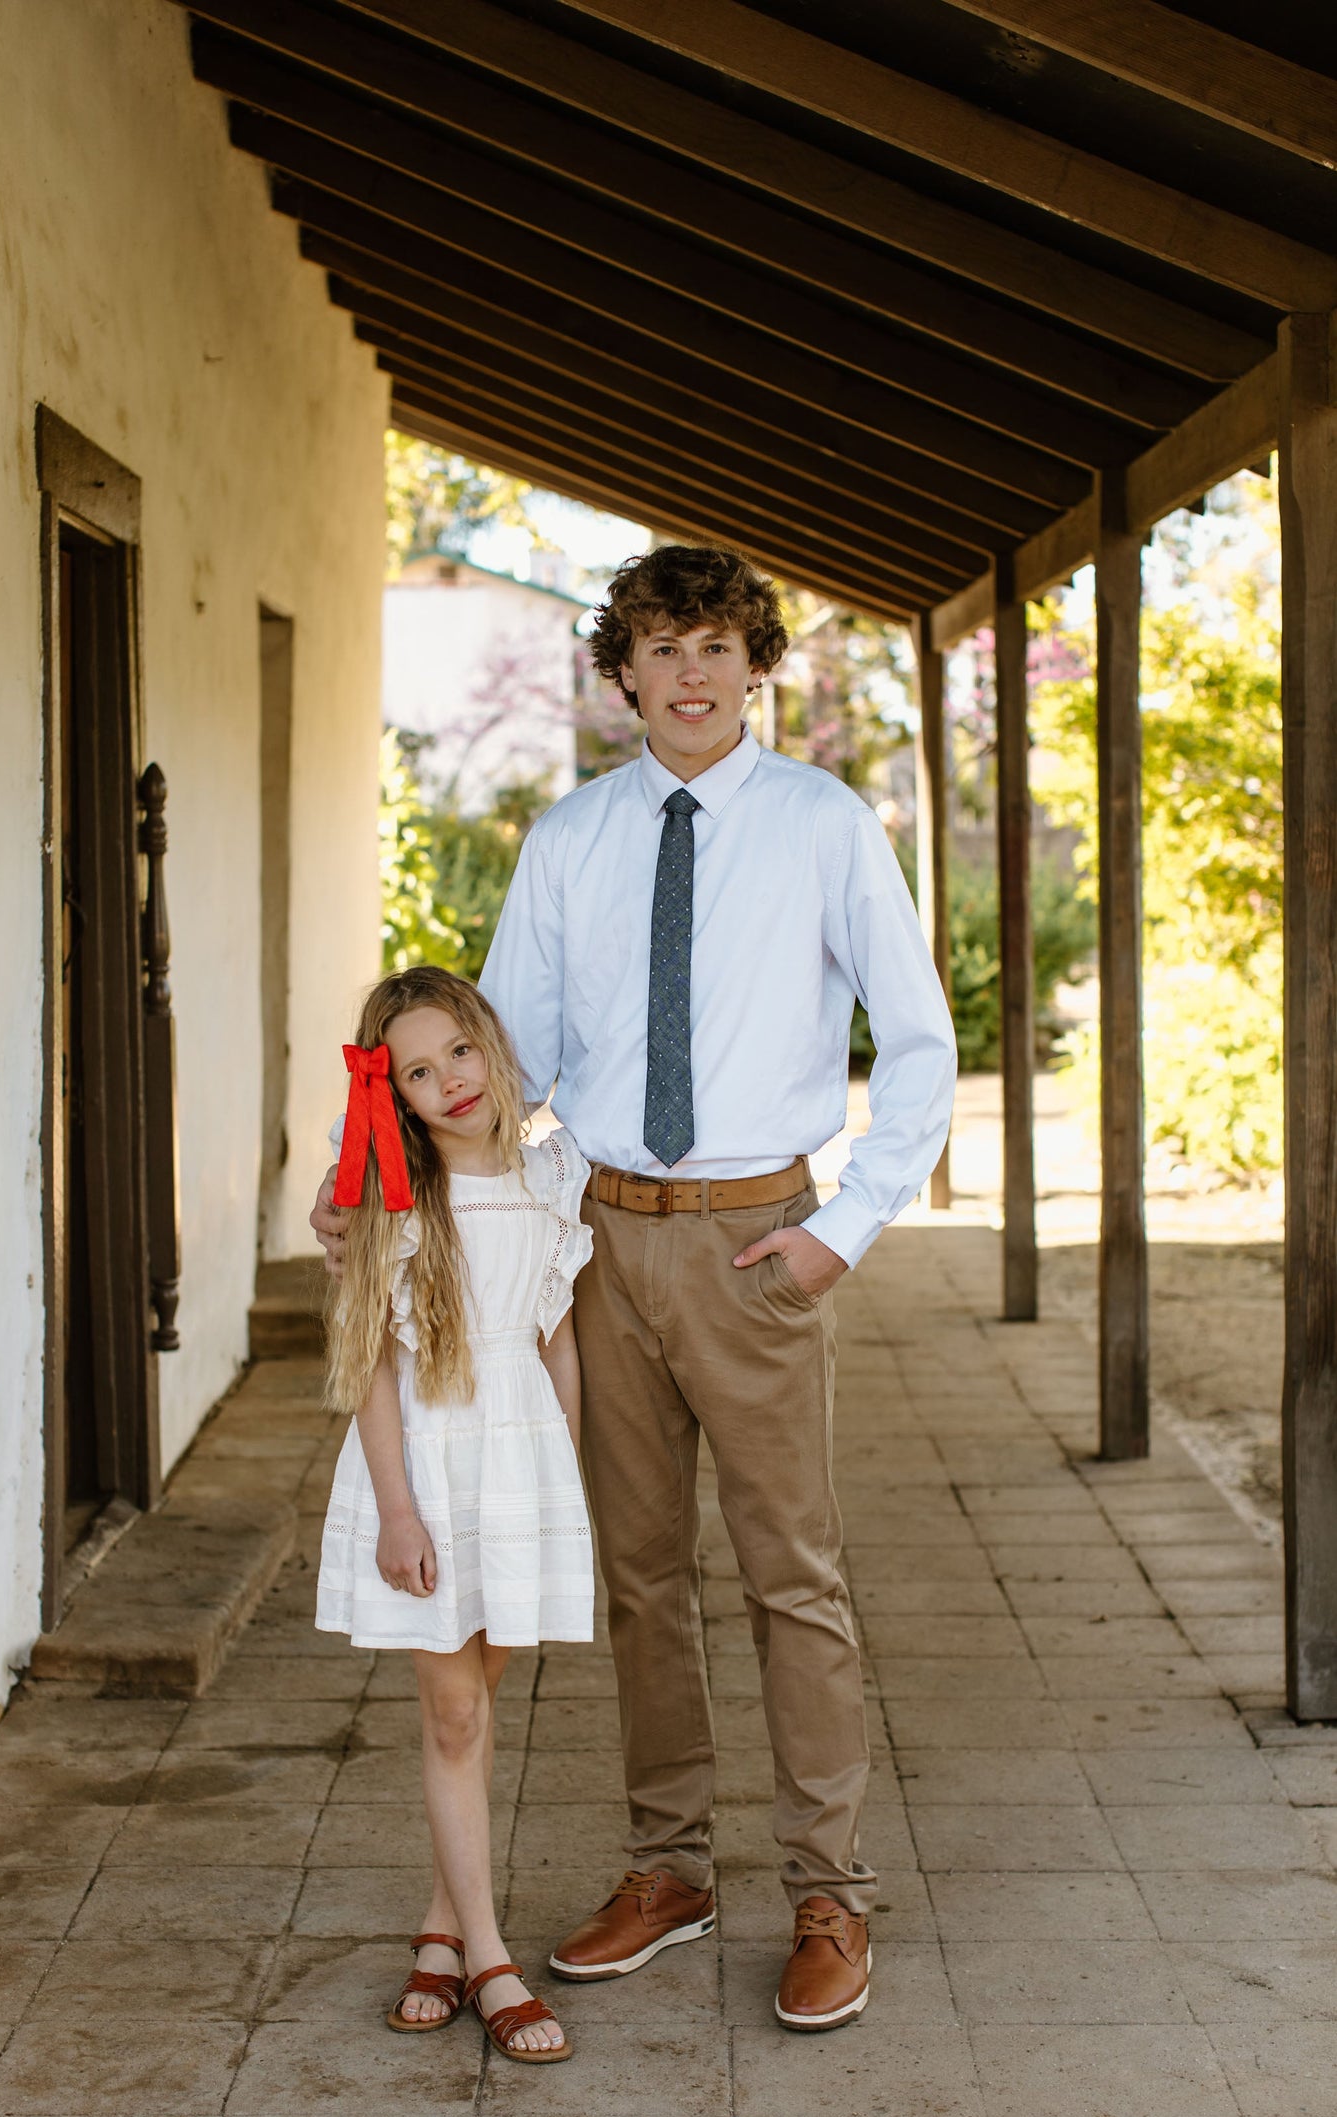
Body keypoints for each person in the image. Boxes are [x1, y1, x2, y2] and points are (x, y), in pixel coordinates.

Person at [314, 545, 956, 2032]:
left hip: (756, 1242)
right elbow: (485, 1066)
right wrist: (372, 1192)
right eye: (660, 648)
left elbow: (915, 1039)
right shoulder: (572, 840)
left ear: (755, 664)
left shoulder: (822, 823)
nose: (689, 674)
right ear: (623, 672)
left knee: (792, 1573)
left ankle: (827, 1891)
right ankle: (669, 1869)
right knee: (640, 1575)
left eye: (716, 646)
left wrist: (843, 1225)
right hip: (595, 1240)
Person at [316, 965, 594, 2065]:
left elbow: (553, 1329)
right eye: (419, 1072)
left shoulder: (549, 1174)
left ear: (488, 1040)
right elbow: (375, 1368)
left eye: (459, 1053)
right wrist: (396, 1510)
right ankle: (487, 1955)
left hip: (519, 1463)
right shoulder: (391, 1196)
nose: (449, 1082)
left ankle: (438, 1923)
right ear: (395, 1091)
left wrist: (564, 1469)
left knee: (482, 1693)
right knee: (451, 1715)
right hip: (427, 1465)